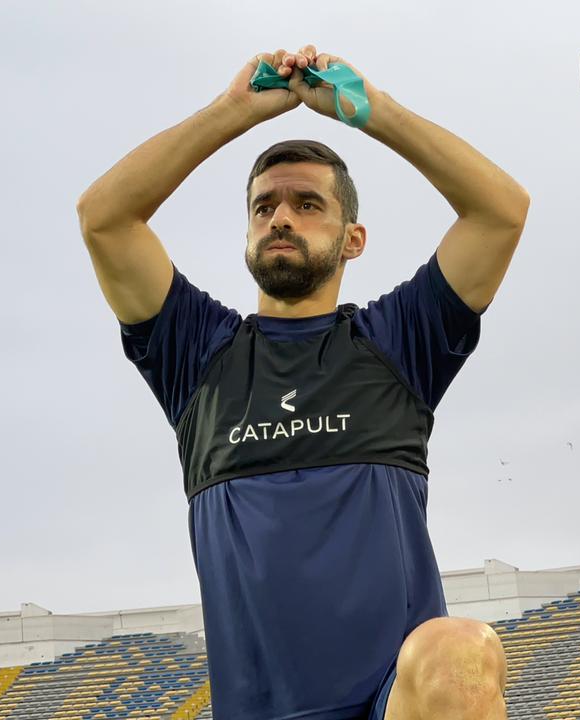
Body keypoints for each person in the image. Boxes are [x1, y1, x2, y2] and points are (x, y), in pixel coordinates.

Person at [76, 45, 529, 720]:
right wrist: (232, 112)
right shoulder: (197, 356)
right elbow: (104, 218)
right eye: (263, 207)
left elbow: (501, 210)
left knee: (459, 650)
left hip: (393, 706)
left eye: (308, 203)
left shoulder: (398, 344)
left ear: (353, 239)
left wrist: (373, 111)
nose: (281, 217)